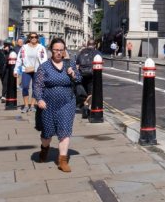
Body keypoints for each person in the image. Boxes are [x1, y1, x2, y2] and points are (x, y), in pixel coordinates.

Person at [34, 37, 81, 172]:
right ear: (51, 51)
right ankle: (44, 148)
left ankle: (62, 160)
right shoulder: (44, 67)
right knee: (47, 134)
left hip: (67, 102)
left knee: (65, 131)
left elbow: (79, 79)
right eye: (56, 50)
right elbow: (37, 86)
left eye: (61, 50)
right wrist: (39, 99)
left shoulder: (69, 64)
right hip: (48, 104)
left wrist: (73, 74)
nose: (59, 53)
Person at [14, 33, 48, 113]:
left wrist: (43, 70)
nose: (34, 38)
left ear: (37, 38)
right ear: (29, 38)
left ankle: (32, 105)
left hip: (37, 70)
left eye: (36, 37)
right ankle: (26, 105)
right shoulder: (24, 47)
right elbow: (19, 59)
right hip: (26, 69)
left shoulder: (41, 47)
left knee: (35, 88)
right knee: (25, 86)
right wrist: (16, 70)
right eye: (32, 37)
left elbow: (44, 60)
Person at [75, 39, 101, 119]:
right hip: (92, 75)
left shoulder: (81, 52)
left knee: (84, 92)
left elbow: (77, 65)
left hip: (82, 75)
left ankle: (85, 106)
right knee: (91, 93)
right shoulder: (97, 53)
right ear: (95, 45)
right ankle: (87, 107)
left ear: (87, 44)